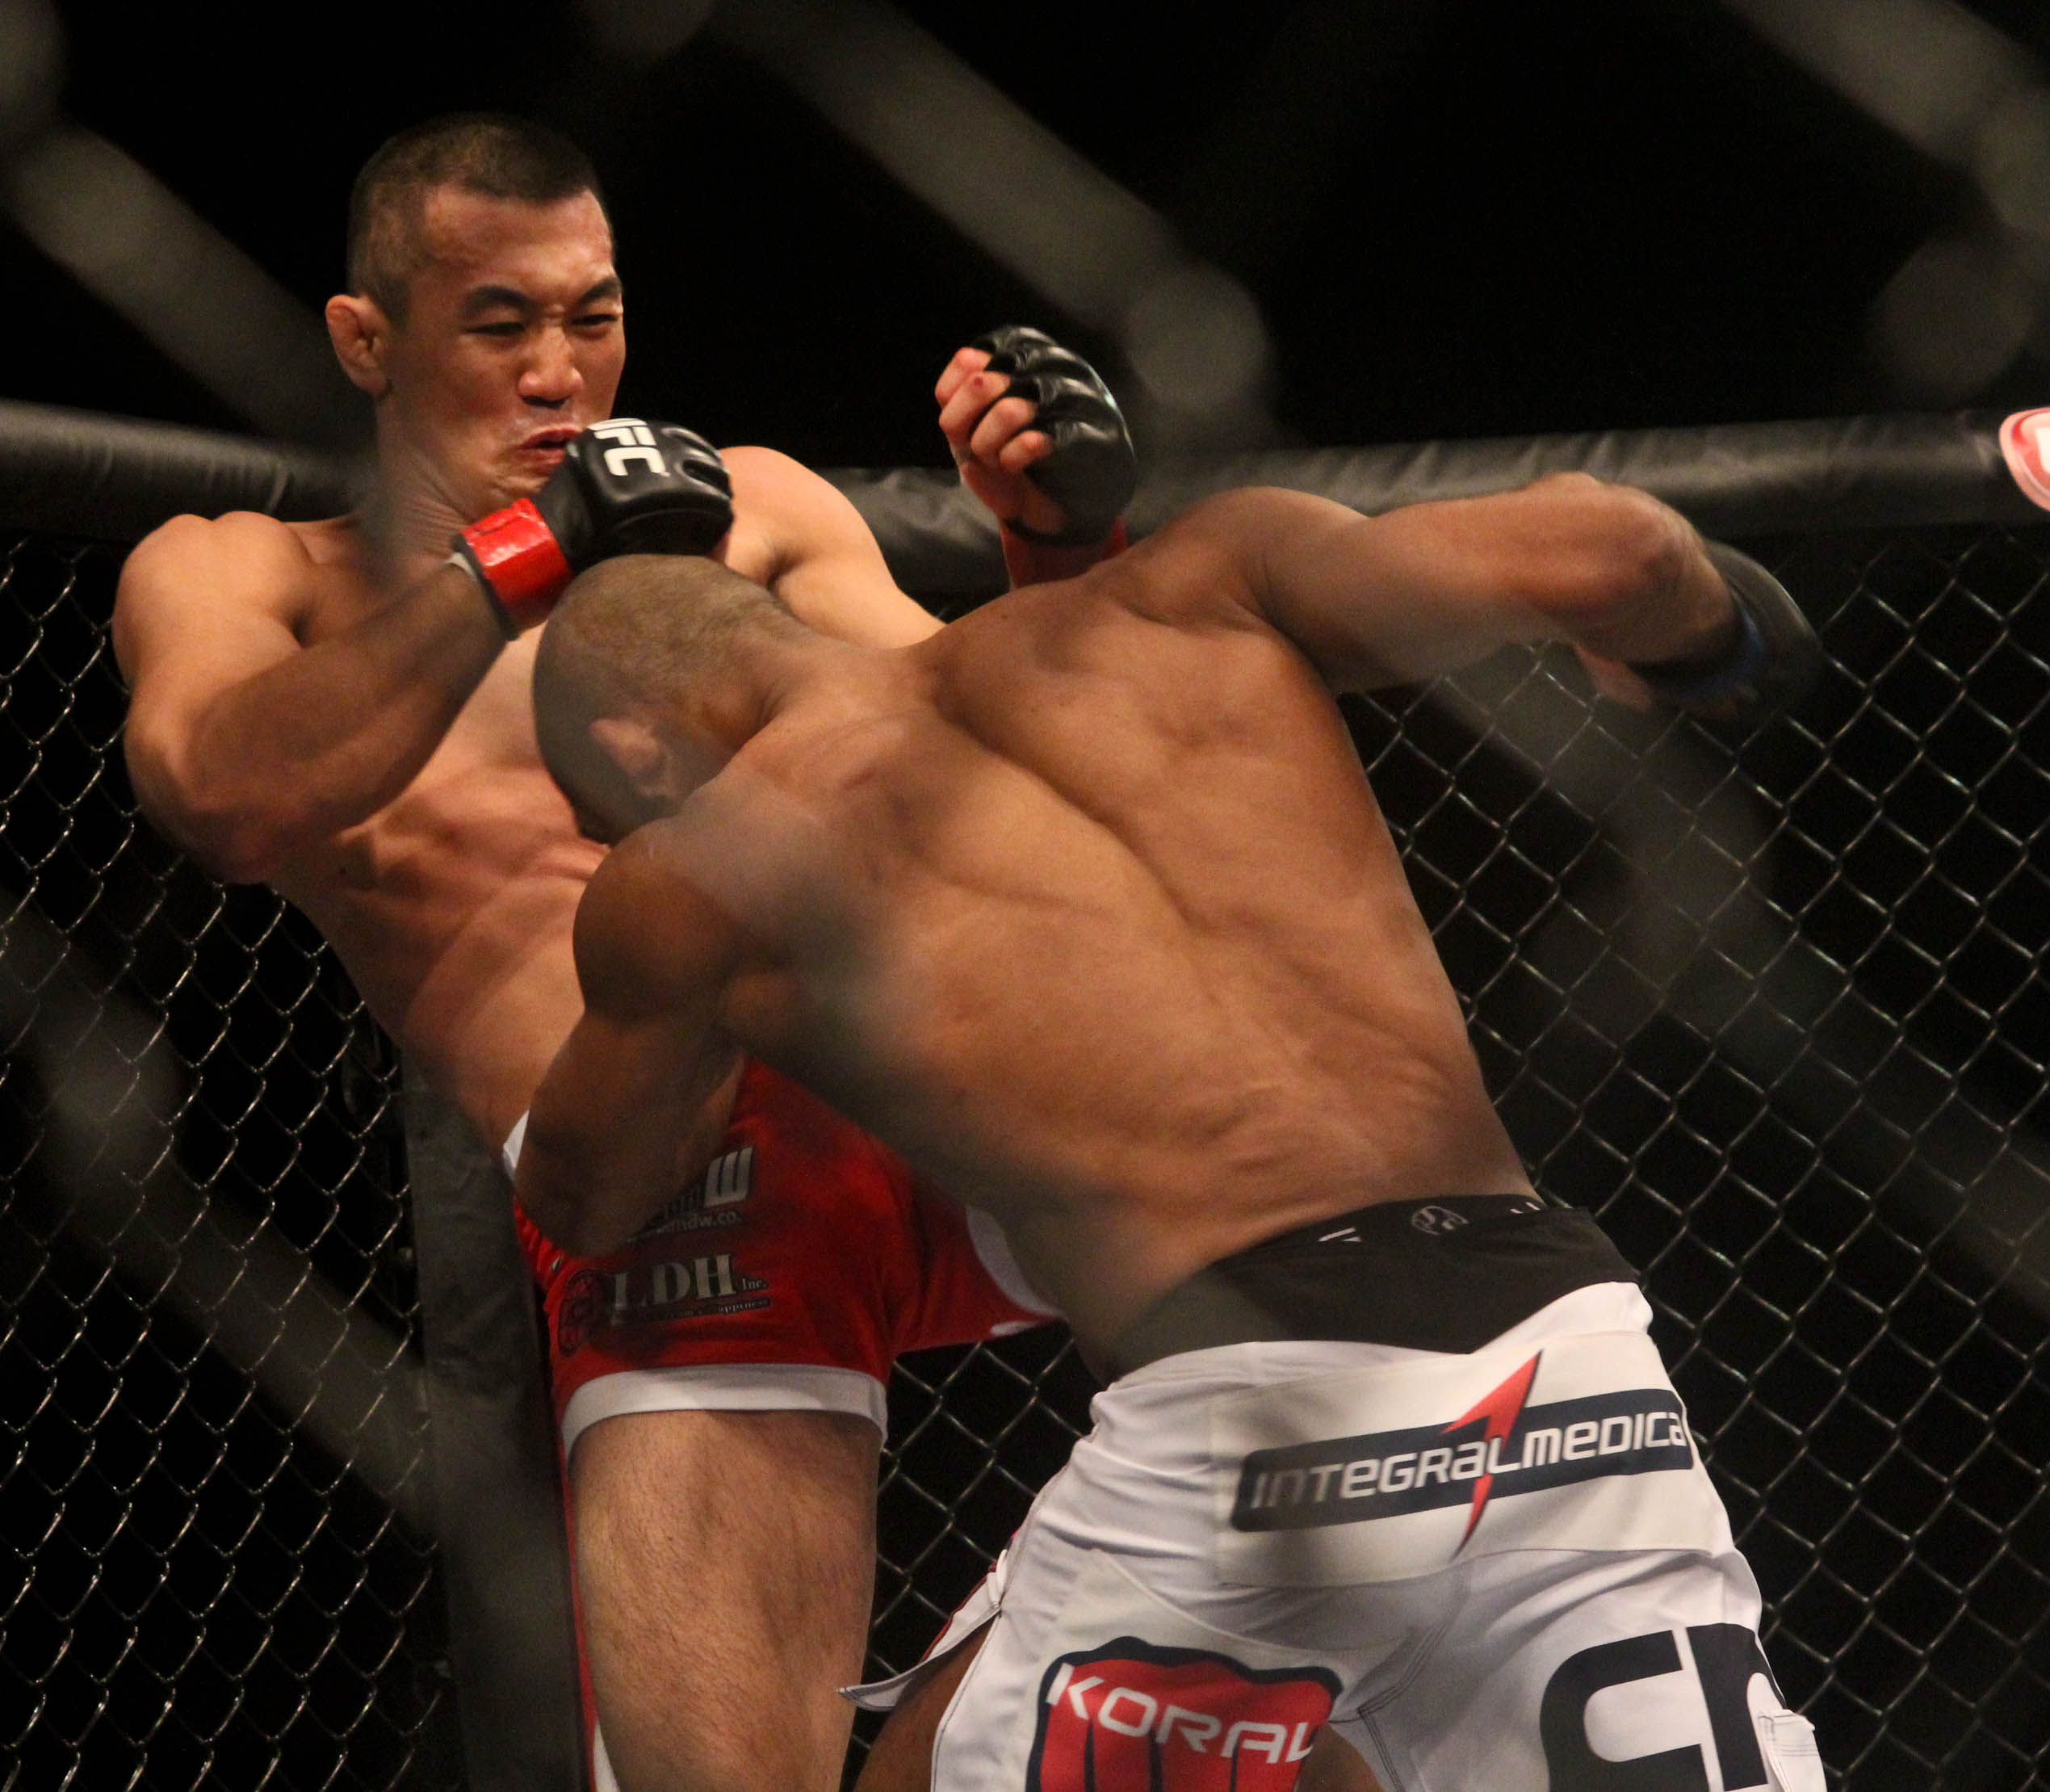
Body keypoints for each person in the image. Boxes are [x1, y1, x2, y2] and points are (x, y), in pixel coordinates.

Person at [514, 473, 1829, 1792]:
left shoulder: (707, 868)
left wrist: (693, 1004)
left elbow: (584, 1196)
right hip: (1570, 1372)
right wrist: (1711, 646)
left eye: (596, 815)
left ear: (633, 750)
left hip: (1252, 1427)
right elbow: (1618, 547)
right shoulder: (1197, 591)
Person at [111, 111, 1136, 1792]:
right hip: (688, 1168)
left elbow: (1030, 783)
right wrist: (525, 555)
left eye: (591, 318)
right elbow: (224, 795)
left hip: (951, 1076)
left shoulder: (757, 509)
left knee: (1269, 1073)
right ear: (365, 341)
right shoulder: (250, 578)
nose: (557, 375)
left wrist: (1059, 554)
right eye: (497, 324)